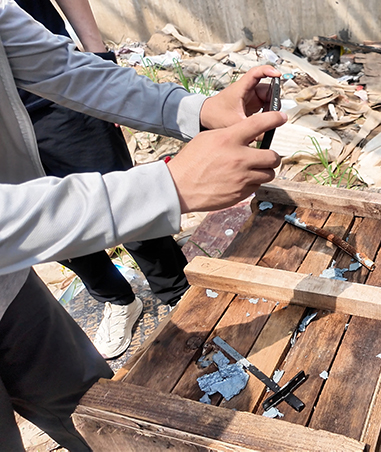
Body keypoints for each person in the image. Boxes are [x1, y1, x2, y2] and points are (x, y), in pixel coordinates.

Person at [0, 0, 286, 449]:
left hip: (9, 289)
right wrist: (167, 187)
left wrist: (197, 109)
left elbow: (69, 71)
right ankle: (120, 299)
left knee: (98, 413)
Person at [15, 0, 190, 360]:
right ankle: (118, 299)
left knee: (129, 205)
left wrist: (98, 58)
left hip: (58, 92)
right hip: (8, 135)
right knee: (51, 227)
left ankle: (177, 291)